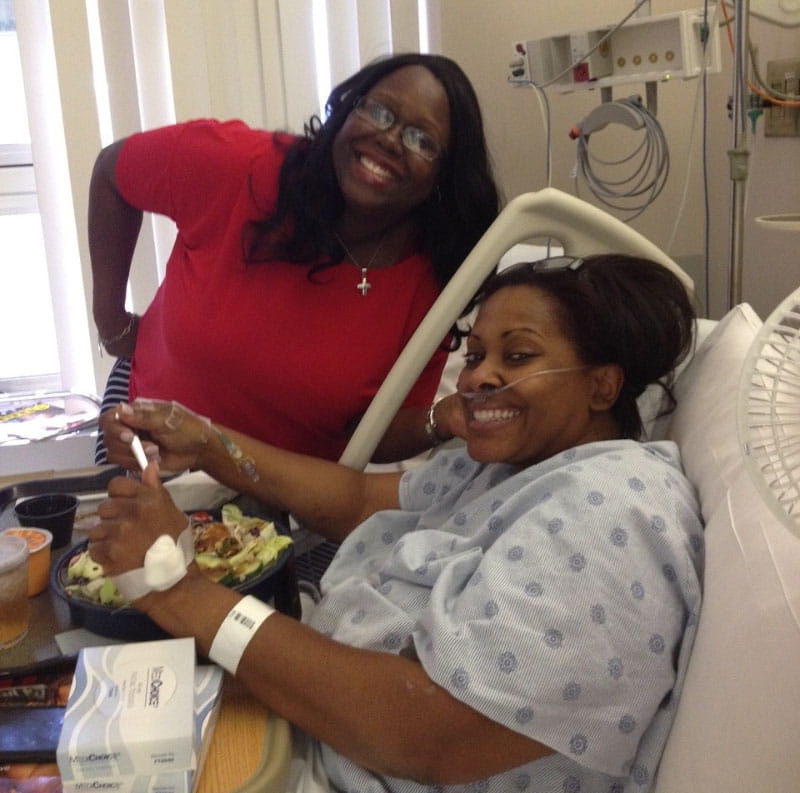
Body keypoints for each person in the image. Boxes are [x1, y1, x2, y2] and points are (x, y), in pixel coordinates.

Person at [92, 253, 704, 793]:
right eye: (476, 356)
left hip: (348, 763)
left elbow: (431, 734)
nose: (477, 377)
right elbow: (359, 498)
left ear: (602, 386)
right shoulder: (513, 464)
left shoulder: (613, 509)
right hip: (308, 714)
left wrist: (175, 587)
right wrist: (208, 442)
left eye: (516, 356)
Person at [90, 53, 500, 465]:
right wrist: (111, 322)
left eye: (421, 140)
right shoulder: (242, 167)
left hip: (284, 497)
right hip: (154, 455)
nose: (390, 140)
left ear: (441, 179)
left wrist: (443, 419)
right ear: (345, 111)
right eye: (379, 112)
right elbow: (113, 171)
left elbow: (371, 433)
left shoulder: (433, 278)